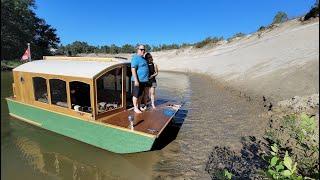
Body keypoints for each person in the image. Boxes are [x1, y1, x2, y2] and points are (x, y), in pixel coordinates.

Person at [131, 45, 149, 113]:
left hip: (143, 81)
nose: (143, 51)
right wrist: (136, 80)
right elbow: (133, 69)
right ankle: (135, 108)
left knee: (140, 94)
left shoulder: (143, 58)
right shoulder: (135, 58)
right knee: (136, 95)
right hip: (137, 81)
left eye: (144, 49)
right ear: (137, 50)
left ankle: (138, 106)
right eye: (141, 49)